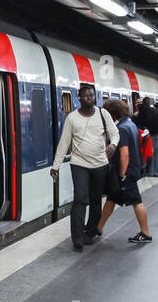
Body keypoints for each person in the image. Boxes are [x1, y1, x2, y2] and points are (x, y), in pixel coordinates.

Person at [50, 83, 119, 251]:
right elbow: (64, 143)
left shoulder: (103, 114)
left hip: (100, 164)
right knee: (80, 198)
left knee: (96, 200)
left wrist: (113, 145)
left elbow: (114, 133)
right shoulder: (72, 118)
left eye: (92, 95)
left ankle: (90, 231)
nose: (90, 98)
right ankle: (77, 237)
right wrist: (56, 165)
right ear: (79, 98)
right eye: (86, 95)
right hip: (79, 164)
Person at [94, 100, 152, 243]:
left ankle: (145, 233)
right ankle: (98, 228)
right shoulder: (130, 124)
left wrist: (122, 174)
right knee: (111, 199)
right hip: (131, 170)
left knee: (136, 201)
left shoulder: (121, 128)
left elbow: (124, 153)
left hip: (126, 173)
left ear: (113, 113)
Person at [136, 97, 158, 177]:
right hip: (155, 134)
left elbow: (139, 124)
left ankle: (150, 171)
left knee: (148, 153)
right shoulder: (156, 112)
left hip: (146, 135)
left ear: (143, 103)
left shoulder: (142, 112)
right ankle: (157, 171)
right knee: (157, 154)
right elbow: (157, 124)